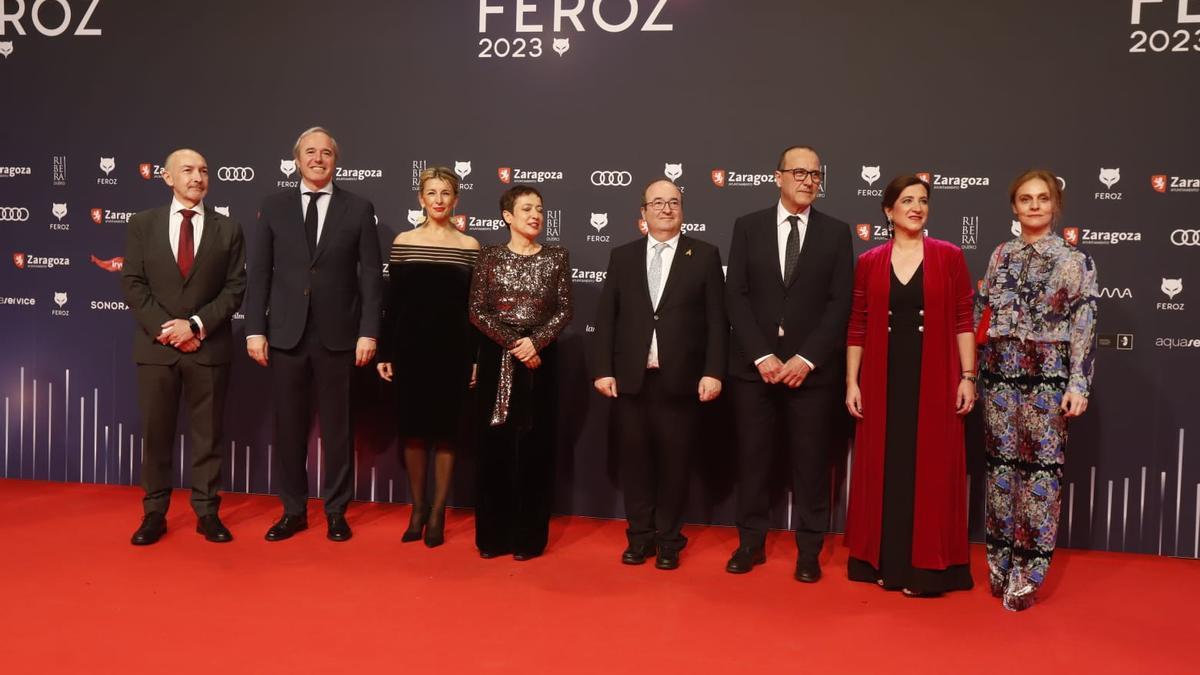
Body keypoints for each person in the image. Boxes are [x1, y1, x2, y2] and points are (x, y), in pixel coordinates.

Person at [244, 126, 384, 542]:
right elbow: (260, 275)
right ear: (297, 159)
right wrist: (254, 329)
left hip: (339, 336)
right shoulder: (273, 207)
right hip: (286, 335)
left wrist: (368, 332)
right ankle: (292, 510)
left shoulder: (358, 208)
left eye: (326, 152)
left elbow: (372, 278)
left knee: (339, 430)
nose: (318, 158)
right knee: (289, 428)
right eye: (310, 152)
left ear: (335, 160)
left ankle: (336, 510)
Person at [724, 145, 853, 582]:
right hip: (753, 370)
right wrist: (762, 355)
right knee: (753, 459)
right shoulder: (748, 227)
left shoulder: (836, 233)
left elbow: (840, 304)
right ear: (777, 176)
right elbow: (735, 295)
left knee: (811, 464)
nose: (808, 180)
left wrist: (806, 358)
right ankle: (750, 544)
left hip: (811, 375)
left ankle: (809, 551)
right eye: (799, 172)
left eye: (815, 174)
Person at [843, 175, 976, 596]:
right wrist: (852, 381)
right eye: (906, 200)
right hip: (882, 378)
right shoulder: (869, 261)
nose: (916, 207)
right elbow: (858, 325)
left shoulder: (950, 256)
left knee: (932, 469)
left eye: (922, 200)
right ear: (888, 210)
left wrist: (968, 376)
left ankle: (929, 569)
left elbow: (962, 320)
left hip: (936, 377)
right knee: (888, 467)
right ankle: (885, 561)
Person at [590, 178, 727, 570]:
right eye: (658, 203)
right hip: (631, 382)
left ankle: (669, 540)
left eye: (674, 202)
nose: (666, 209)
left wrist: (714, 371)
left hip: (681, 382)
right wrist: (603, 369)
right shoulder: (623, 256)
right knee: (635, 466)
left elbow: (718, 323)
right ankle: (639, 538)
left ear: (682, 211)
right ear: (643, 213)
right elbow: (607, 319)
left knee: (675, 467)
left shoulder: (703, 255)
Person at [977, 169, 1097, 611]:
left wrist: (1078, 383)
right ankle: (1000, 560)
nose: (1033, 205)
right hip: (1000, 373)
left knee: (1040, 476)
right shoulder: (1000, 255)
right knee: (1001, 472)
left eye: (1042, 198)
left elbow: (1084, 325)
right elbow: (984, 314)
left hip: (1048, 375)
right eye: (1025, 198)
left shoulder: (1075, 260)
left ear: (1054, 206)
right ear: (1014, 206)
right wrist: (972, 372)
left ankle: (1028, 573)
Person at [120, 148, 246, 545]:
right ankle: (154, 513)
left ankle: (207, 512)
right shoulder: (142, 224)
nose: (197, 177)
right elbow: (133, 283)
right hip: (157, 349)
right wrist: (168, 330)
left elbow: (235, 288)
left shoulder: (229, 229)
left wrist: (194, 326)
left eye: (204, 171)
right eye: (188, 170)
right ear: (167, 177)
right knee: (156, 434)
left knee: (207, 436)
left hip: (208, 348)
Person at [377, 166, 480, 547]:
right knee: (415, 433)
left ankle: (438, 513)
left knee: (447, 434)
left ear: (456, 200)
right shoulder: (404, 242)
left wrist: (474, 358)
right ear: (421, 199)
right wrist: (385, 350)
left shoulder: (471, 247)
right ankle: (418, 508)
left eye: (446, 193)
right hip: (410, 350)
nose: (438, 200)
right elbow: (393, 303)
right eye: (432, 193)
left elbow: (475, 309)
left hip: (453, 350)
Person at [469, 185, 572, 560]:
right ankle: (492, 537)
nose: (535, 215)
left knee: (535, 448)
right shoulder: (489, 256)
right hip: (498, 358)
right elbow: (477, 311)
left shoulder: (557, 257)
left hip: (541, 362)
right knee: (494, 448)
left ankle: (529, 538)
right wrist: (515, 343)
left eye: (540, 209)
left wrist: (536, 342)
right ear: (507, 217)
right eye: (527, 208)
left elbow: (564, 310)